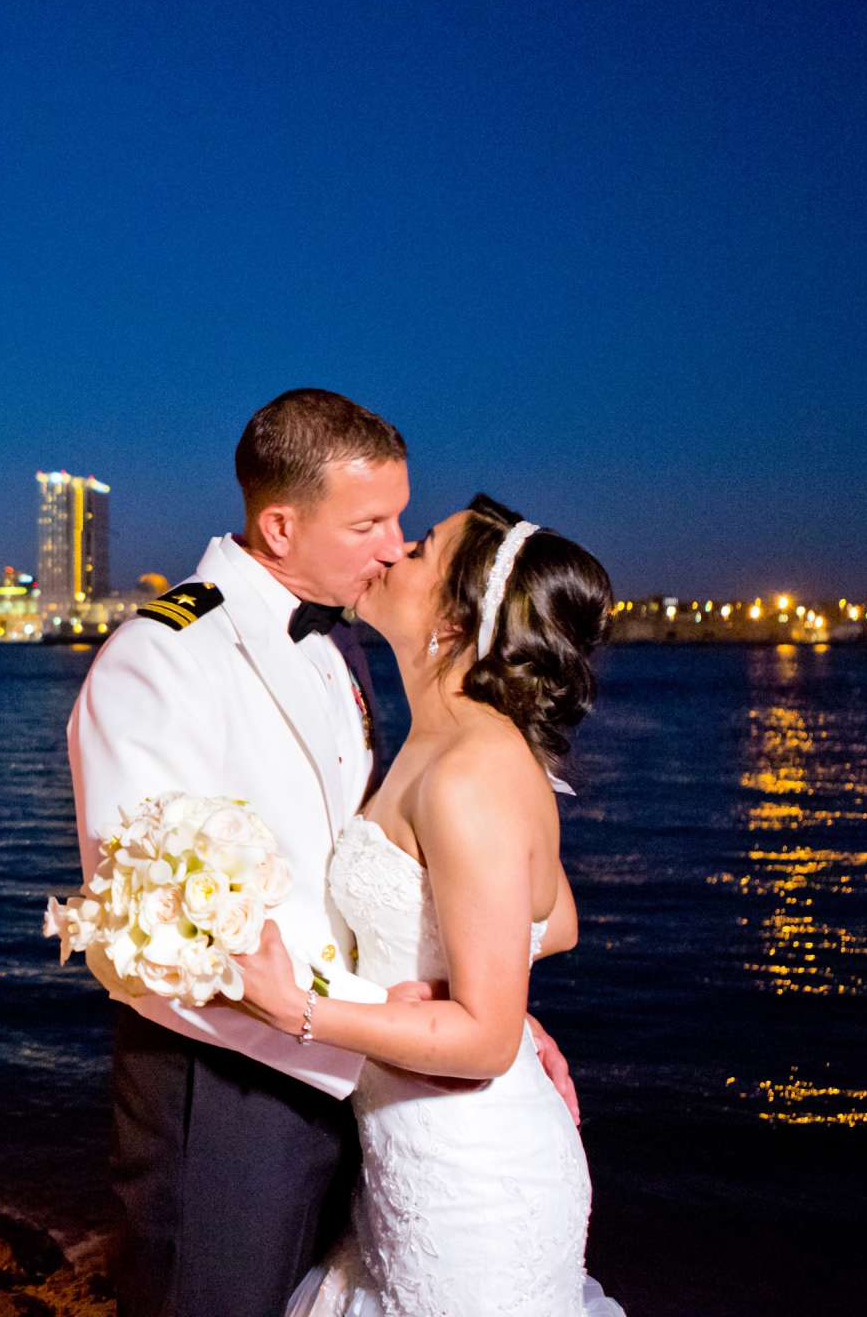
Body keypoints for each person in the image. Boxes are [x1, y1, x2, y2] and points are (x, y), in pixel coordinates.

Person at [71, 389, 576, 1317]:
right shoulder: (166, 654)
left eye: (401, 522)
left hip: (358, 1085)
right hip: (226, 1096)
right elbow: (147, 931)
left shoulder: (344, 647)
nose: (393, 546)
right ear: (278, 525)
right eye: (370, 524)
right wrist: (414, 1020)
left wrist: (479, 996)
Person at [230, 493, 623, 1317]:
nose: (393, 549)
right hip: (415, 1159)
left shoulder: (470, 772)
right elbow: (557, 921)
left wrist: (298, 1008)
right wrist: (476, 979)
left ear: (452, 620)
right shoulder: (449, 741)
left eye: (420, 551)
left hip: (470, 1183)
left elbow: (478, 1043)